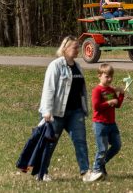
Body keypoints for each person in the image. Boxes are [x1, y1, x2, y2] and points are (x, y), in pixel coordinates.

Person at [37, 35, 95, 182]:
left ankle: (85, 173)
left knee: (80, 141)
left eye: (77, 47)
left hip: (75, 112)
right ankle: (42, 172)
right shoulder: (55, 66)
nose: (77, 50)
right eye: (75, 47)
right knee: (49, 143)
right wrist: (47, 111)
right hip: (56, 112)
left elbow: (81, 90)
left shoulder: (77, 66)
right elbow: (49, 89)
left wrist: (83, 109)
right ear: (65, 48)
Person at [87, 63, 125, 181]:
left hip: (111, 123)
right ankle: (96, 169)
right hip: (100, 124)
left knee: (117, 145)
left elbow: (117, 105)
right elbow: (96, 107)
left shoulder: (110, 90)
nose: (109, 79)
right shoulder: (97, 90)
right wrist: (109, 102)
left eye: (111, 76)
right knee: (102, 149)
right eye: (107, 76)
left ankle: (102, 163)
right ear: (99, 76)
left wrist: (121, 94)